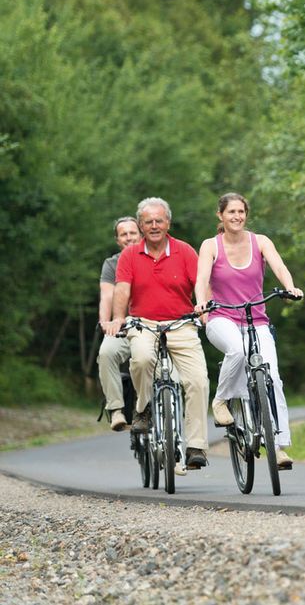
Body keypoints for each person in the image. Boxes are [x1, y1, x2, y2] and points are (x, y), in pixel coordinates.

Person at [194, 193, 303, 470]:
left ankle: (278, 446)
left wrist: (289, 286)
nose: (237, 216)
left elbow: (279, 266)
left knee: (273, 378)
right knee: (238, 351)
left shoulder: (261, 241)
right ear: (220, 215)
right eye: (231, 212)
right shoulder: (211, 245)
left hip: (257, 320)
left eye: (241, 212)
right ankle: (220, 402)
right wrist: (201, 302)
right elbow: (202, 279)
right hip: (222, 318)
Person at [103, 197, 210, 470]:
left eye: (158, 220)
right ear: (141, 225)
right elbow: (122, 289)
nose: (154, 226)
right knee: (139, 359)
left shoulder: (184, 251)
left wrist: (202, 307)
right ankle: (143, 408)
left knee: (197, 380)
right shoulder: (129, 255)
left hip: (181, 323)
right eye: (148, 221)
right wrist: (118, 319)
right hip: (144, 323)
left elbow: (200, 284)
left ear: (168, 223)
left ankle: (196, 445)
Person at [97, 216, 141, 431]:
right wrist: (105, 321)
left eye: (133, 233)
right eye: (123, 234)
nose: (129, 238)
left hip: (151, 323)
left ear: (140, 234)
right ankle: (116, 409)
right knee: (106, 353)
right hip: (121, 325)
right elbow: (107, 295)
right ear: (117, 240)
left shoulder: (151, 257)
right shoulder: (111, 264)